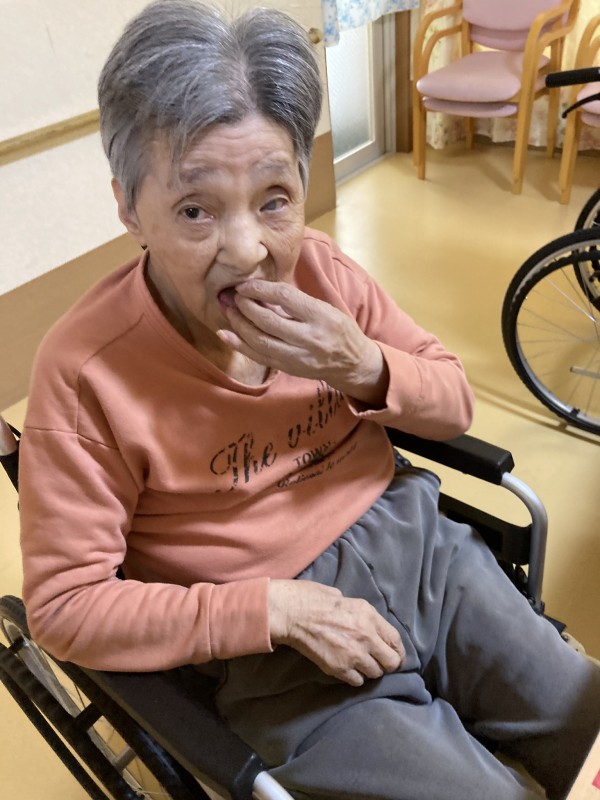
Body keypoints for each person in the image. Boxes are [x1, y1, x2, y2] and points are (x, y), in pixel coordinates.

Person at [18, 2, 599, 799]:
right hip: (272, 650)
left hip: (424, 552)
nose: (249, 251)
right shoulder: (86, 373)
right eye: (195, 210)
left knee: (585, 721)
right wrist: (273, 612)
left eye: (274, 199)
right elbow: (63, 607)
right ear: (128, 208)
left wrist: (363, 366)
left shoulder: (326, 274)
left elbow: (453, 404)